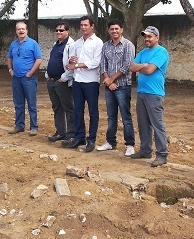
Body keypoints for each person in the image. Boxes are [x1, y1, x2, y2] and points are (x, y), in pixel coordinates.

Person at [129, 26, 169, 167]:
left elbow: (150, 69)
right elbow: (131, 67)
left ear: (157, 38)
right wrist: (143, 66)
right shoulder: (144, 52)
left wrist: (142, 66)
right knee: (143, 124)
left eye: (150, 36)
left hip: (155, 94)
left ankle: (162, 154)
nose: (147, 39)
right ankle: (145, 150)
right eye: (145, 36)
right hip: (142, 93)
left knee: (157, 125)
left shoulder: (161, 52)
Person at [62, 15, 103, 152]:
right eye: (81, 25)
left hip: (91, 82)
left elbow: (96, 62)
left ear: (92, 26)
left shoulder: (98, 42)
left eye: (86, 25)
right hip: (77, 81)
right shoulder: (77, 43)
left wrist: (77, 65)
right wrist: (71, 62)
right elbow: (71, 62)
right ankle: (79, 137)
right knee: (78, 111)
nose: (83, 27)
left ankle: (91, 140)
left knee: (93, 112)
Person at [96, 20, 136, 156]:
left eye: (117, 29)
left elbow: (127, 66)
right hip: (109, 86)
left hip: (123, 85)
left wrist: (111, 79)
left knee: (126, 117)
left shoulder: (128, 45)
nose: (114, 31)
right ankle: (110, 142)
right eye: (112, 29)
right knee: (111, 116)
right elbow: (103, 65)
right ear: (109, 31)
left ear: (121, 30)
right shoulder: (105, 46)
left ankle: (130, 145)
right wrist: (107, 80)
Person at [7, 21, 42, 135]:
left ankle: (34, 127)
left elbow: (38, 59)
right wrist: (10, 70)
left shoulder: (33, 44)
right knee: (18, 103)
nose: (21, 31)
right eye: (18, 29)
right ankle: (19, 126)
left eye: (23, 29)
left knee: (31, 104)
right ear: (16, 31)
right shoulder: (13, 44)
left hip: (29, 79)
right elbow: (9, 58)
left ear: (26, 30)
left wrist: (31, 73)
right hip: (16, 78)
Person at [45, 22, 75, 142]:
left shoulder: (71, 45)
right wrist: (47, 75)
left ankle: (71, 134)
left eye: (61, 30)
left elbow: (72, 64)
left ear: (68, 31)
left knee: (68, 108)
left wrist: (63, 78)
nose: (58, 32)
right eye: (57, 30)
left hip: (62, 81)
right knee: (57, 108)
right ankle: (60, 132)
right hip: (51, 81)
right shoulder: (55, 44)